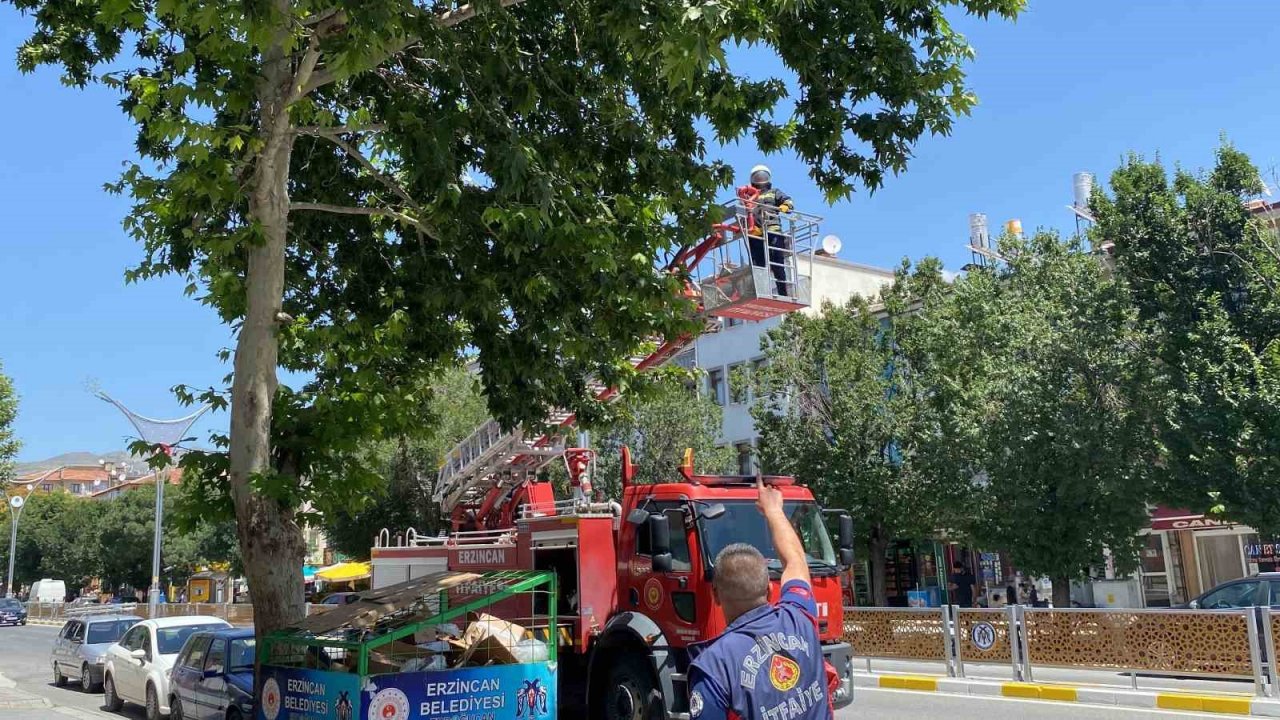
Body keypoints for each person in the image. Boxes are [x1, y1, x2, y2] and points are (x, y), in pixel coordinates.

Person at [688, 476, 832, 720]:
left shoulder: (713, 667)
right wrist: (773, 510)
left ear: (716, 595)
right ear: (769, 590)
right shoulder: (799, 618)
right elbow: (796, 560)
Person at [744, 165, 794, 296]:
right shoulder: (749, 197)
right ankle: (762, 292)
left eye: (762, 175)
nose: (760, 178)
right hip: (756, 234)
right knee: (759, 265)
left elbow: (788, 201)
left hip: (773, 231)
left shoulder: (774, 192)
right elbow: (744, 213)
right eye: (757, 176)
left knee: (777, 263)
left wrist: (785, 206)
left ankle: (782, 292)